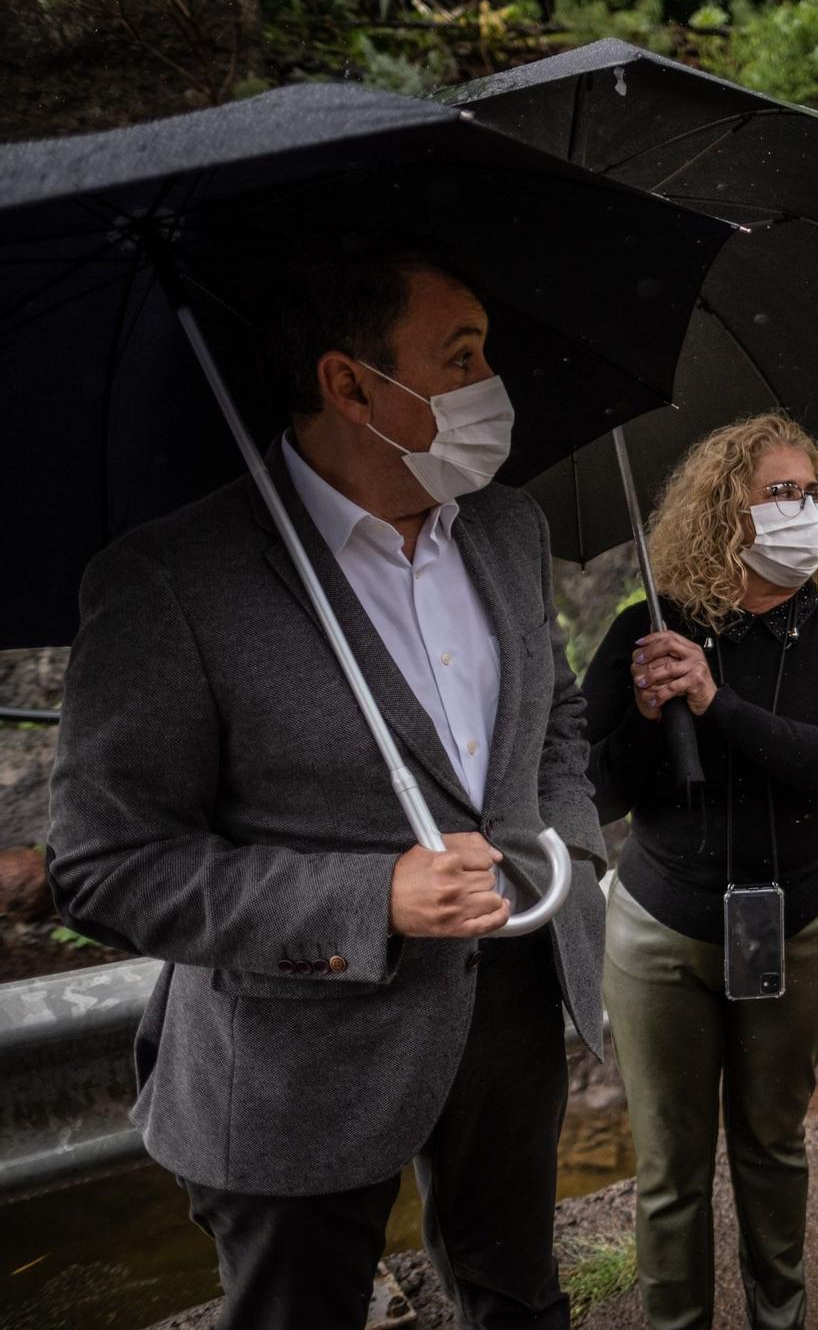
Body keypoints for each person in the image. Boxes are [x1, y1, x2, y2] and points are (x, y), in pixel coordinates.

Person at [46, 244, 607, 1328]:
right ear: (351, 383)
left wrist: (566, 850)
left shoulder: (506, 525)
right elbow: (106, 866)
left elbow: (556, 720)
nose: (495, 386)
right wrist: (371, 898)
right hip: (292, 1059)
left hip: (512, 1007)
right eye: (462, 356)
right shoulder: (171, 580)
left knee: (521, 1299)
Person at [582, 413, 818, 1330]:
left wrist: (716, 703)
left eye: (813, 494)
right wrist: (648, 712)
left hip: (790, 924)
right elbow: (595, 790)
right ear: (728, 510)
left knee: (772, 1144)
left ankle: (780, 1317)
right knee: (670, 1167)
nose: (804, 511)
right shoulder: (649, 628)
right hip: (661, 932)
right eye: (779, 494)